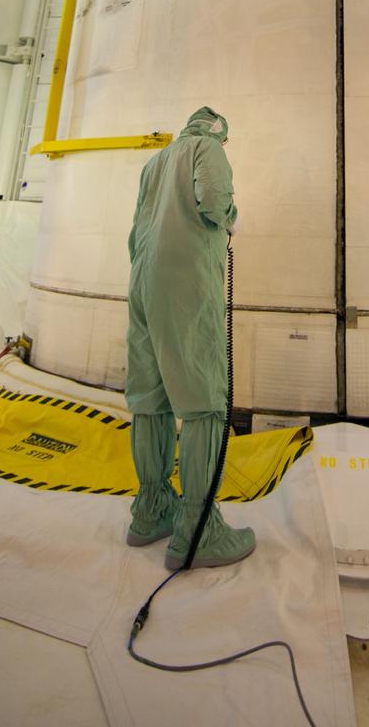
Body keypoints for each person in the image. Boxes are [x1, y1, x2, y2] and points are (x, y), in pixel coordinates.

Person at [124, 105, 255, 569]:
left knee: (149, 397)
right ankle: (199, 531)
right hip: (185, 287)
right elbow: (214, 199)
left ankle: (151, 510)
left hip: (143, 282)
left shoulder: (155, 162)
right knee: (203, 399)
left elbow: (135, 230)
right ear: (220, 131)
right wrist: (232, 217)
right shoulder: (208, 148)